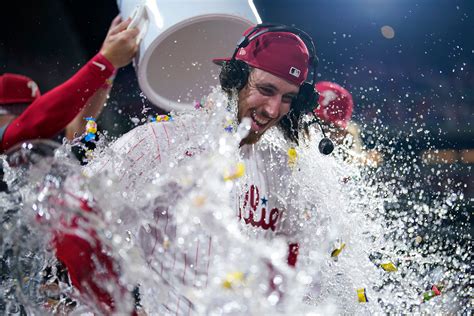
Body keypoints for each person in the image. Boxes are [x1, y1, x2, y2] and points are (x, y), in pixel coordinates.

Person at [54, 23, 321, 314]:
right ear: (235, 78)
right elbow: (70, 217)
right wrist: (116, 307)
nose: (272, 109)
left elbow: (294, 263)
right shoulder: (158, 142)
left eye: (287, 98)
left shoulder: (282, 166)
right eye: (265, 90)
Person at [0, 15, 140, 154]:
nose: (23, 121)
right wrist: (104, 62)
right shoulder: (14, 137)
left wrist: (110, 69)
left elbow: (77, 126)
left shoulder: (31, 144)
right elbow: (35, 123)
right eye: (18, 113)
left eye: (27, 111)